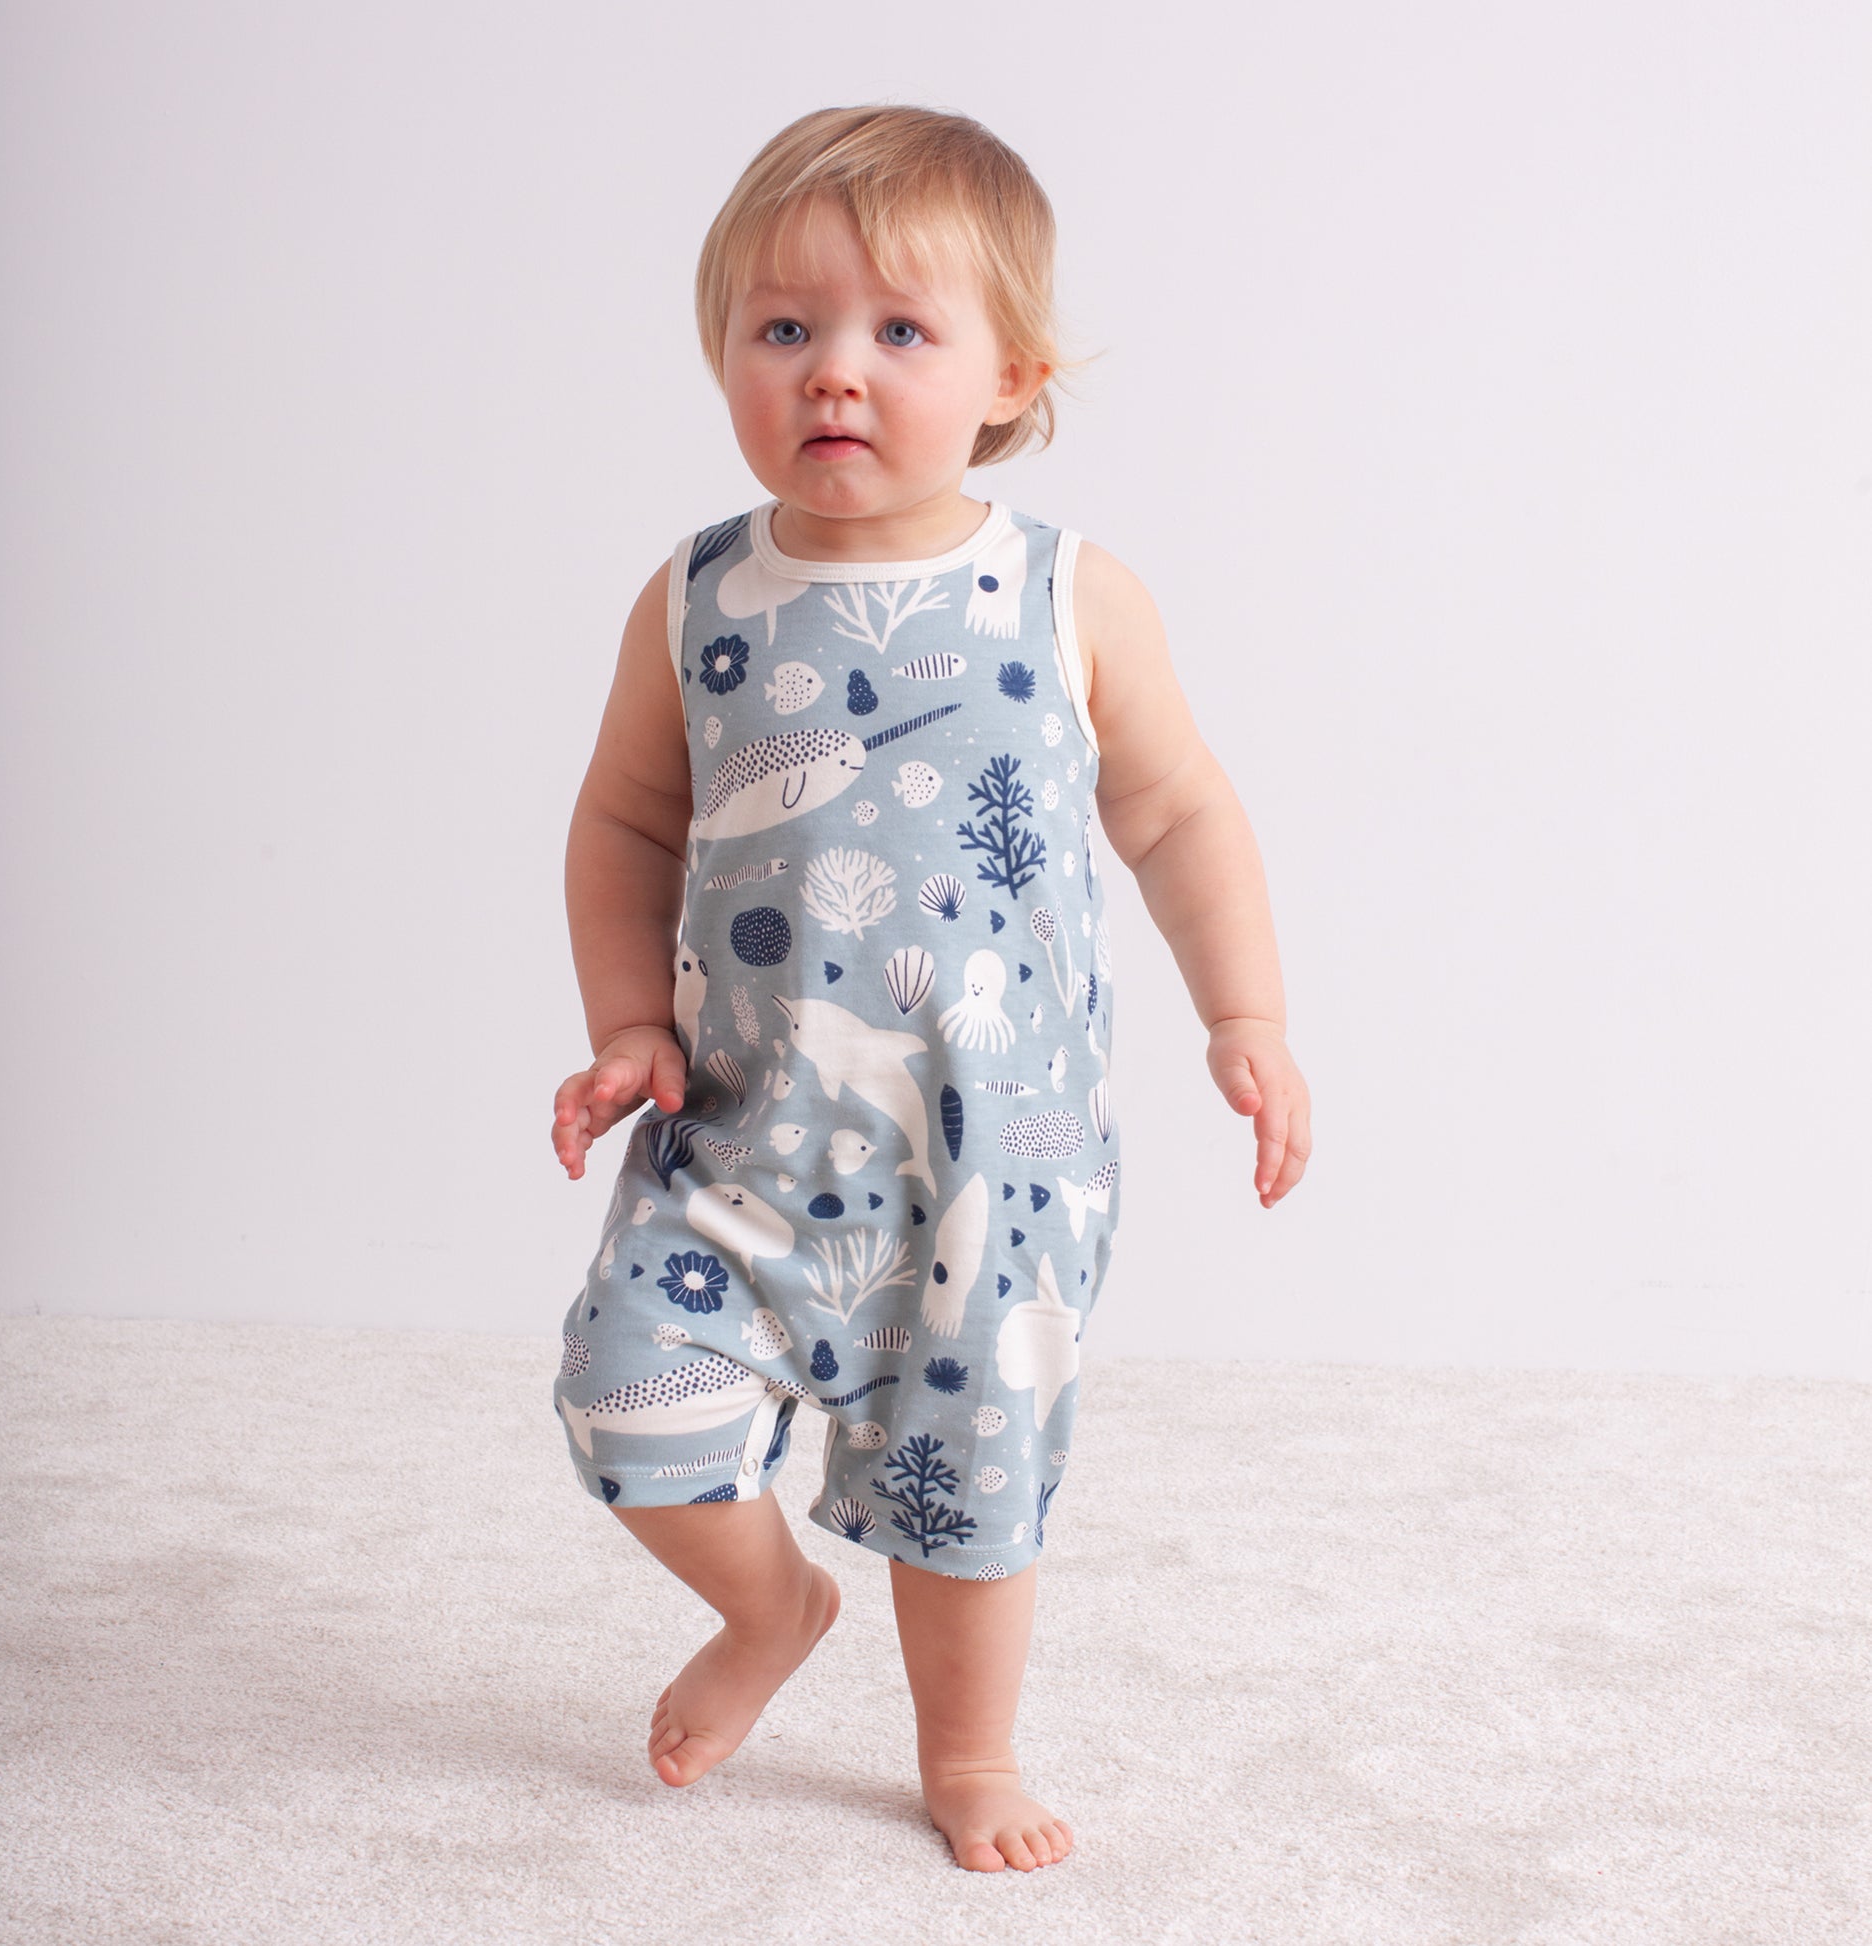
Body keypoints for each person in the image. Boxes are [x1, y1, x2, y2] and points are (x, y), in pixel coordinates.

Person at [547, 103, 1311, 1874]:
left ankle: (968, 1749)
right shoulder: (697, 596)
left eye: (899, 329)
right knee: (621, 1385)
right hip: (736, 1138)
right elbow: (625, 818)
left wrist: (1246, 1015)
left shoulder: (1064, 593)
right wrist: (625, 1020)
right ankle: (769, 1609)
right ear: (724, 354)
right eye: (782, 326)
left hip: (989, 1163)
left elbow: (1179, 811)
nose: (833, 368)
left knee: (963, 1480)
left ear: (1008, 374)